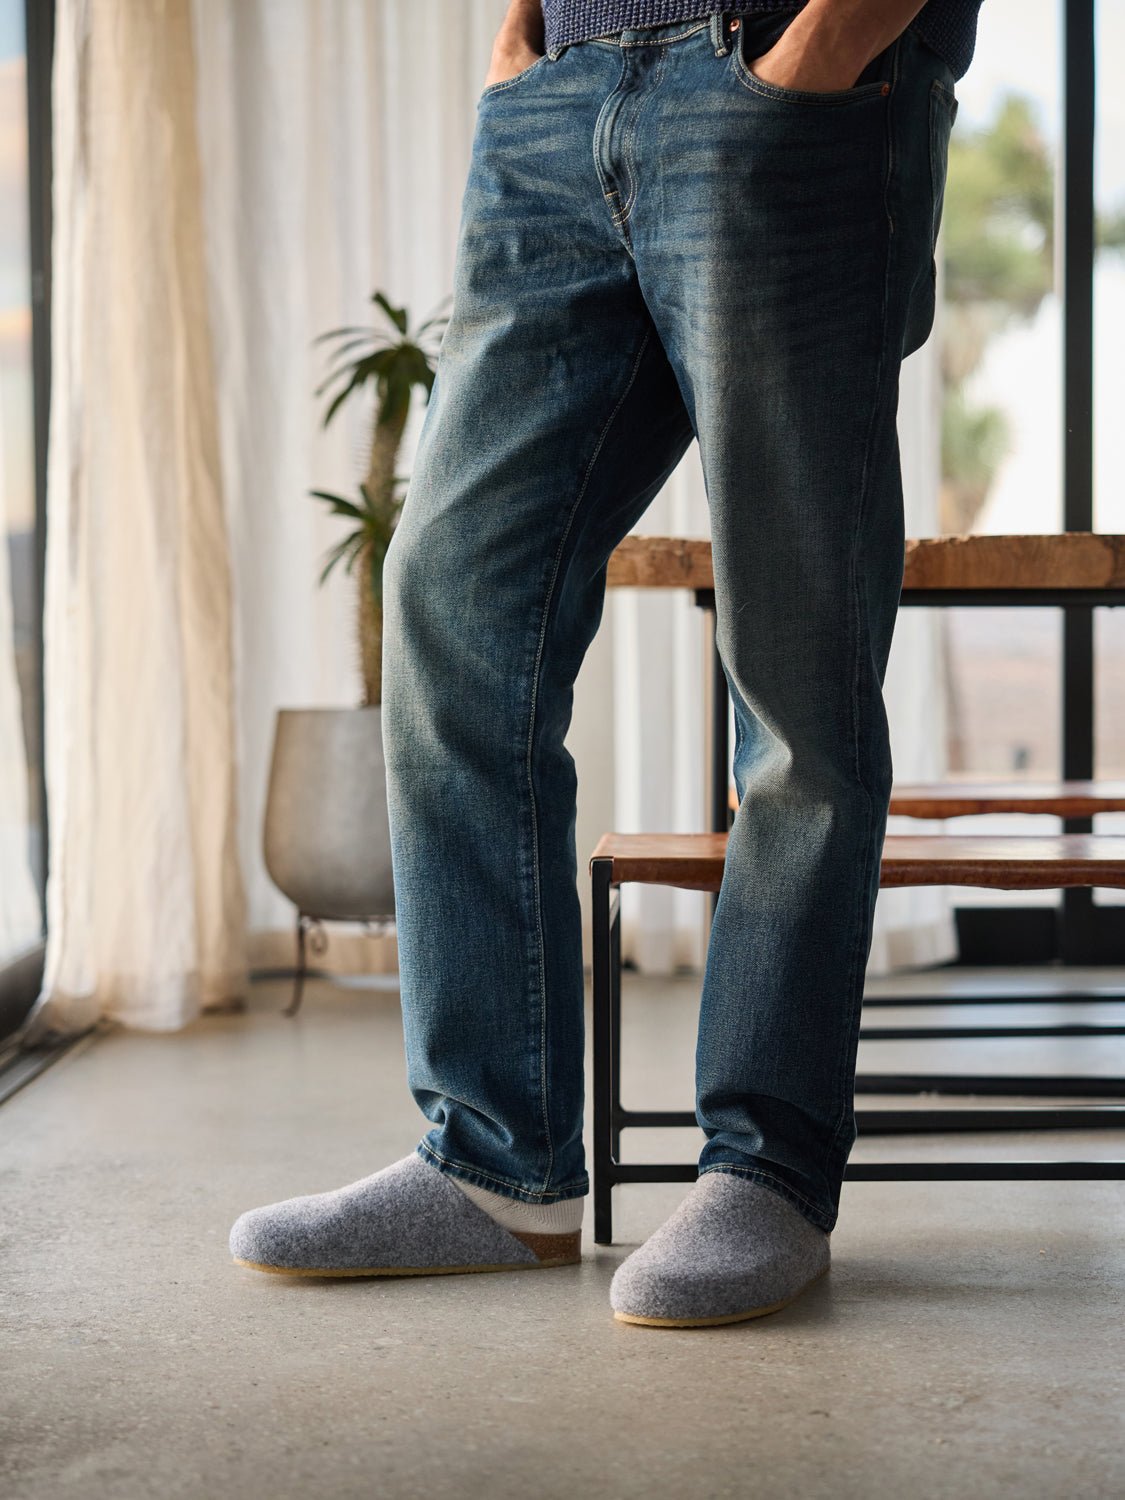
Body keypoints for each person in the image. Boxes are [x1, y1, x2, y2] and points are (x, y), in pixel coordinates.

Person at [230, 0, 982, 1328]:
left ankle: (765, 1167)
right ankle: (493, 1167)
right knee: (452, 598)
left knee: (792, 659)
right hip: (554, 99)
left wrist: (819, 47)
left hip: (783, 80)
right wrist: (524, 43)